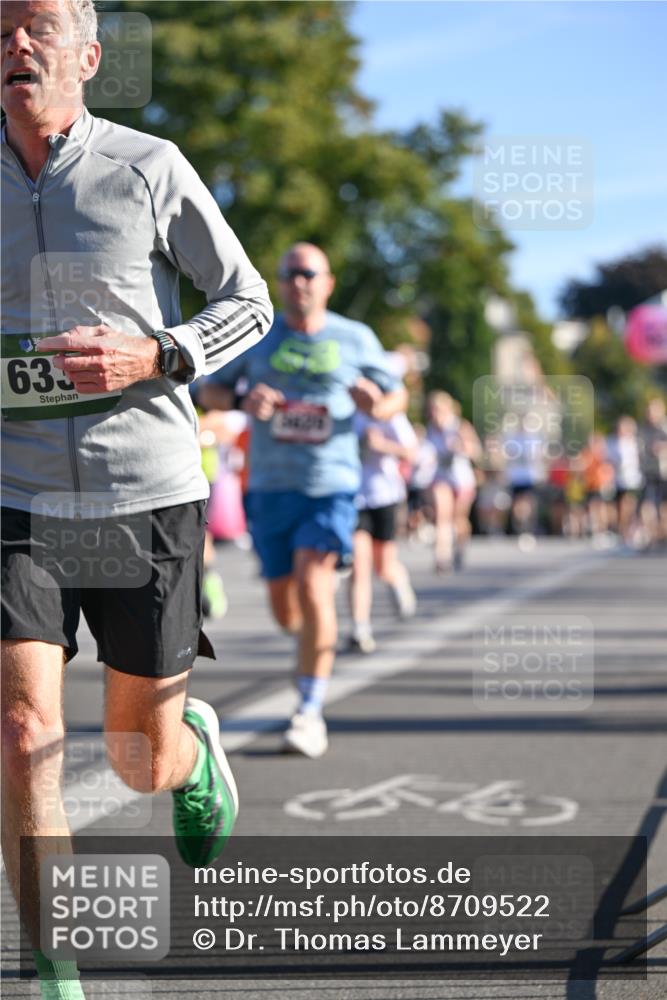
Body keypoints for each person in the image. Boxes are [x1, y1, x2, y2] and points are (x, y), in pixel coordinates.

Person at [1, 3, 273, 997]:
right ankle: (52, 964)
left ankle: (189, 749)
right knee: (24, 731)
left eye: (33, 30)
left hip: (143, 490)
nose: (14, 48)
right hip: (13, 491)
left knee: (136, 760)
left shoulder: (148, 165)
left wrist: (160, 351)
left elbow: (249, 299)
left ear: (88, 58)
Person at [197, 242, 406, 758]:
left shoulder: (355, 338)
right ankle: (311, 635)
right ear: (280, 281)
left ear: (327, 282)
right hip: (269, 488)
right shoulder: (258, 336)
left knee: (316, 588)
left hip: (330, 485)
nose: (299, 282)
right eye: (290, 273)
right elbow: (209, 391)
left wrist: (378, 404)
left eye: (309, 273)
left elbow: (397, 393)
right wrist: (245, 399)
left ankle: (309, 711)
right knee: (286, 610)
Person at [347, 410, 418, 653]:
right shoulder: (343, 412)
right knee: (358, 564)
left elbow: (411, 452)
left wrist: (381, 445)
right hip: (353, 499)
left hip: (385, 497)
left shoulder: (389, 415)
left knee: (383, 567)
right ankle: (360, 628)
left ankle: (399, 580)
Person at [426, 391, 481, 572]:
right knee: (442, 516)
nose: (436, 414)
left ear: (448, 410)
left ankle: (460, 546)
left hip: (462, 479)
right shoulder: (430, 430)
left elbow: (476, 452)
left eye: (439, 410)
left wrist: (462, 446)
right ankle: (441, 558)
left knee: (459, 519)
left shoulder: (459, 427)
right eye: (433, 410)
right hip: (441, 478)